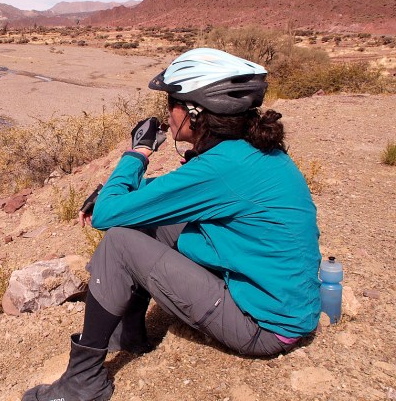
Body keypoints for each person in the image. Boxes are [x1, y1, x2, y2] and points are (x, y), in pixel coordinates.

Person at [22, 48, 321, 401]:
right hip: (284, 305)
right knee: (152, 222)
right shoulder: (242, 153)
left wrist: (139, 152)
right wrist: (114, 192)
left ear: (195, 113)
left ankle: (83, 381)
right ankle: (129, 334)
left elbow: (107, 216)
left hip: (264, 327)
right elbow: (173, 195)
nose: (167, 112)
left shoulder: (220, 168)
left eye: (171, 103)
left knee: (119, 240)